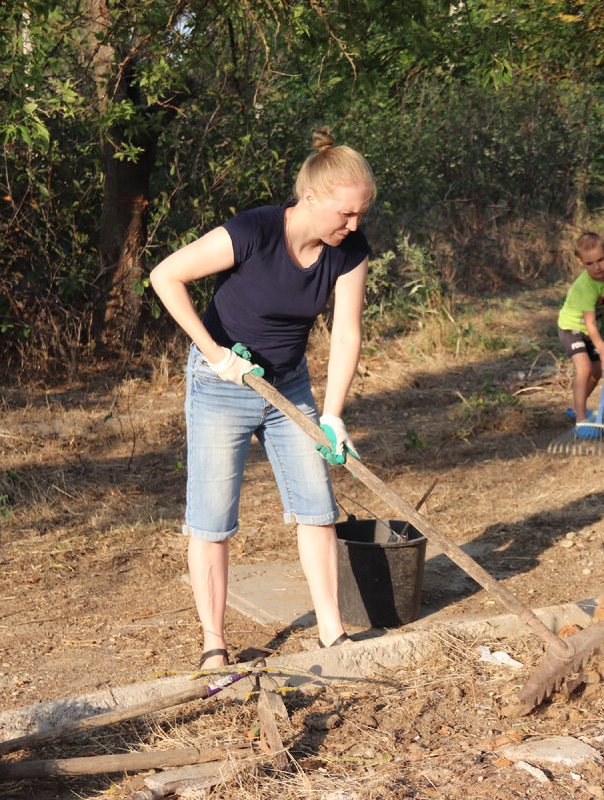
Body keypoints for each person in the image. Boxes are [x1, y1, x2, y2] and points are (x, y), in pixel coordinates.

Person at [150, 128, 375, 670]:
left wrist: (334, 414)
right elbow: (165, 275)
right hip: (222, 383)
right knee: (212, 520)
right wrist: (213, 353)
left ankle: (332, 633)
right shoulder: (254, 230)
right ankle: (214, 645)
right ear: (311, 198)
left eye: (361, 214)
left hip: (289, 386)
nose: (354, 225)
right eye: (345, 213)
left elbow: (346, 333)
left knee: (318, 509)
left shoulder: (349, 252)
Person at [556, 232, 604, 435]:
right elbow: (590, 322)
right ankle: (581, 420)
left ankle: (576, 407)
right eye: (590, 263)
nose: (597, 267)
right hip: (571, 328)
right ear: (580, 262)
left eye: (601, 260)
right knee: (584, 368)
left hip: (588, 331)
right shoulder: (585, 286)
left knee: (596, 372)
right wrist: (602, 348)